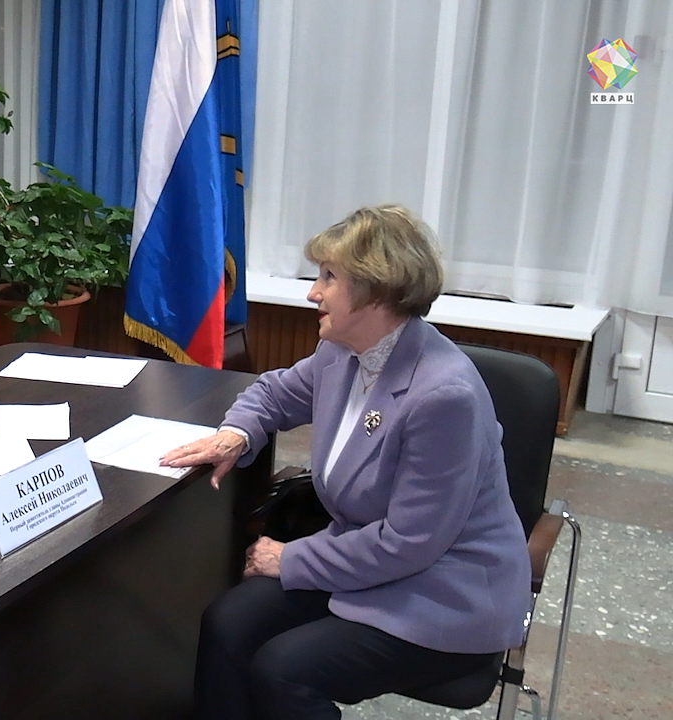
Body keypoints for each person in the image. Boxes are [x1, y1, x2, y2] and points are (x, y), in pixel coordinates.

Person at [159, 204, 531, 719]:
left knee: (284, 670)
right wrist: (236, 433)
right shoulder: (343, 350)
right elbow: (274, 393)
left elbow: (410, 543)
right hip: (365, 560)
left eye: (329, 277)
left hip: (444, 591)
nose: (313, 293)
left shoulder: (445, 396)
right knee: (227, 624)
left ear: (377, 291)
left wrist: (291, 559)